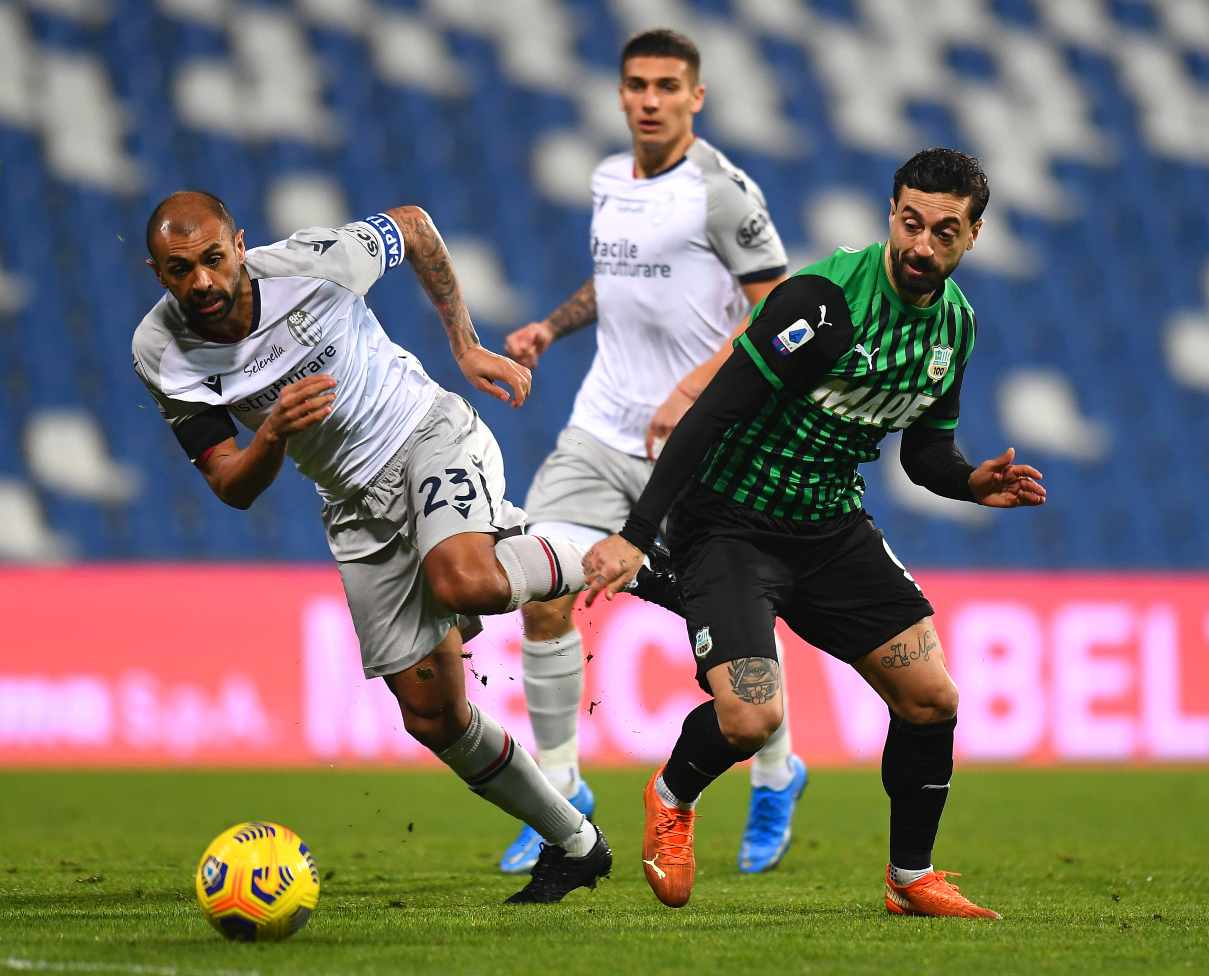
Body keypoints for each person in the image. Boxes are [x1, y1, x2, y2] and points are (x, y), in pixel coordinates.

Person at [583, 148, 1048, 917]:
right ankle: (671, 796)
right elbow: (716, 412)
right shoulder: (823, 303)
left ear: (973, 236)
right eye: (910, 223)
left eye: (944, 231)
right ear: (890, 214)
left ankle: (910, 879)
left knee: (932, 698)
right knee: (752, 718)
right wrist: (638, 530)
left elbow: (925, 451)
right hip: (730, 523)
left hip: (829, 526)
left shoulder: (955, 328)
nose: (922, 245)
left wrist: (969, 481)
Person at [132, 191, 612, 903]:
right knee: (434, 716)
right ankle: (576, 845)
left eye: (212, 258)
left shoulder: (312, 265)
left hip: (425, 435)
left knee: (464, 579)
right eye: (180, 270)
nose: (201, 281)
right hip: (353, 508)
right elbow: (232, 485)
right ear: (157, 273)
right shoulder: (160, 353)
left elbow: (416, 225)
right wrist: (271, 434)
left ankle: (631, 557)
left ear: (239, 244)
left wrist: (464, 344)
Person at [500, 28, 806, 876]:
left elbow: (777, 309)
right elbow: (618, 277)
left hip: (696, 445)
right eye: (636, 84)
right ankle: (560, 790)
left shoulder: (721, 192)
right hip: (598, 429)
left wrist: (690, 391)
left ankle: (779, 772)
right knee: (540, 583)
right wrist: (550, 329)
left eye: (667, 86)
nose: (648, 99)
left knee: (735, 629)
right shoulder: (608, 179)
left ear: (695, 97)